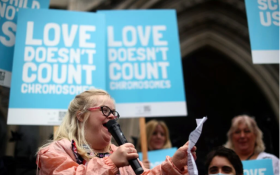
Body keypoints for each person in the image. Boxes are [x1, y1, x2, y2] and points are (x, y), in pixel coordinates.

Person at [36, 89, 197, 175]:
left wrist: (173, 165)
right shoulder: (53, 152)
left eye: (114, 112)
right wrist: (111, 163)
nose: (112, 116)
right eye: (105, 110)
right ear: (81, 115)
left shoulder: (119, 153)